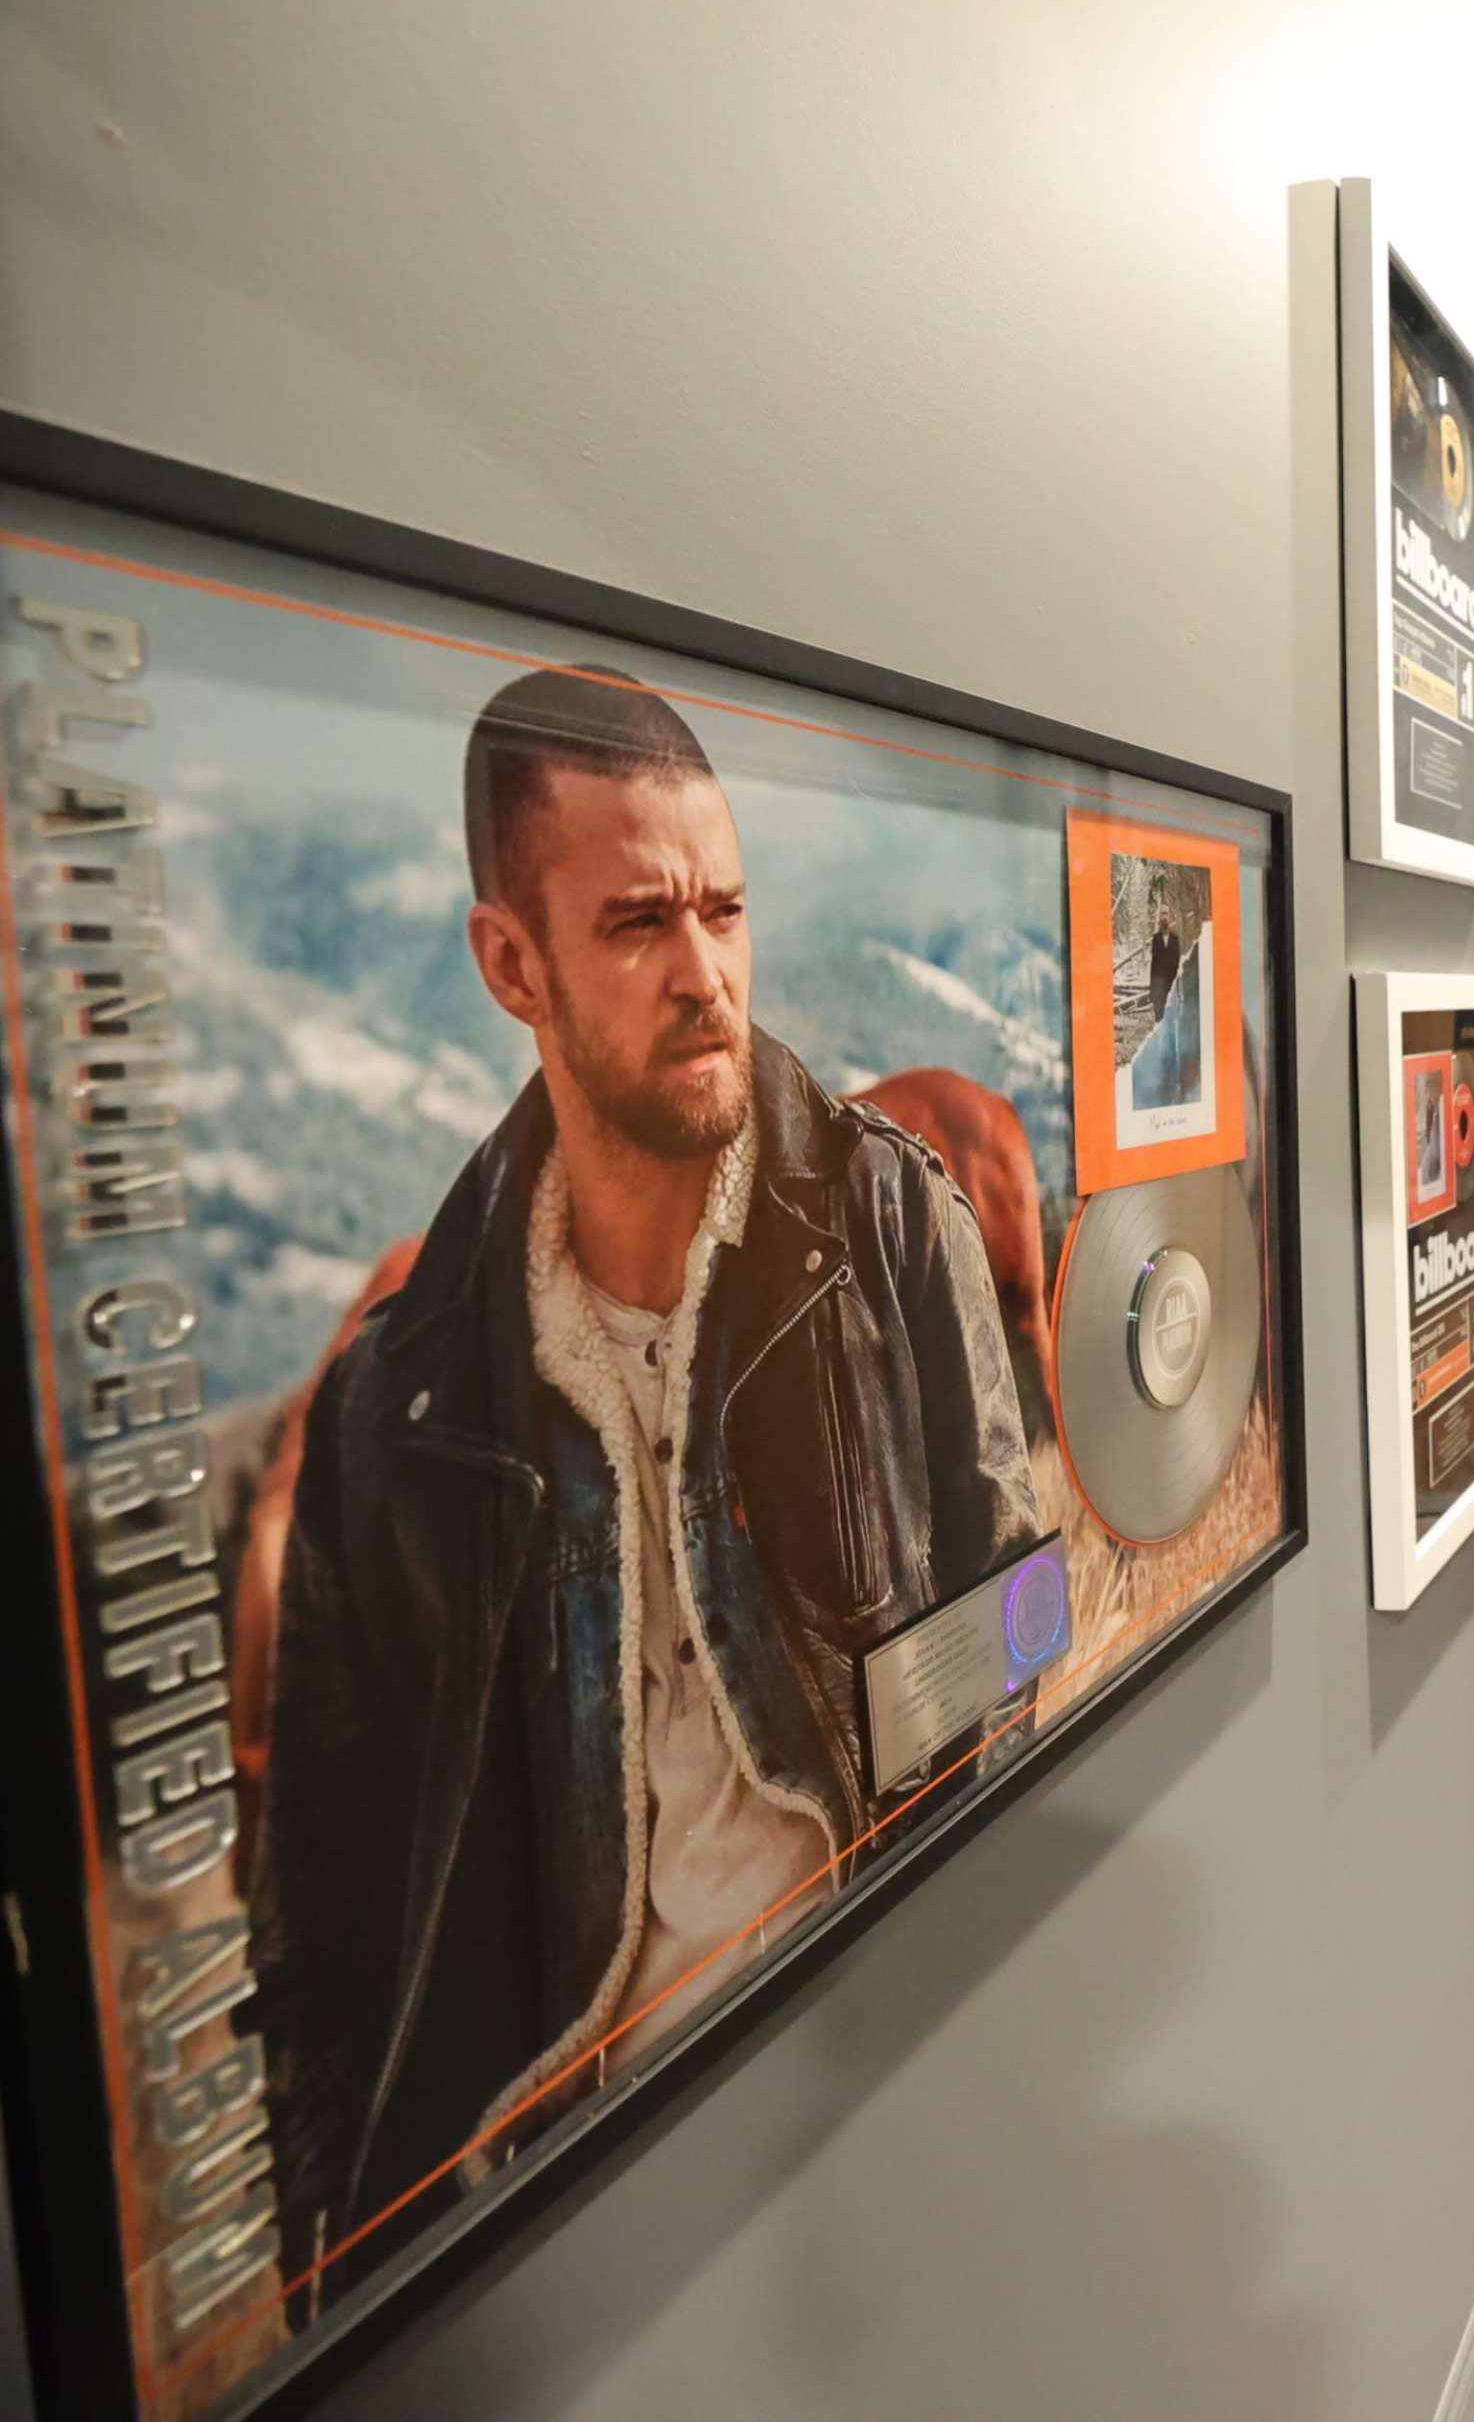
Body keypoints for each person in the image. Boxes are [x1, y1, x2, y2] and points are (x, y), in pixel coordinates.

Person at [253, 665, 1041, 2297]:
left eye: (726, 909)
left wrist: (964, 1928)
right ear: (509, 962)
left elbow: (1023, 1607)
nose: (707, 974)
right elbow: (322, 1937)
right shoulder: (391, 1406)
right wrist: (350, 2284)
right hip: (549, 2192)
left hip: (872, 2048)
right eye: (638, 923)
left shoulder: (889, 1226)